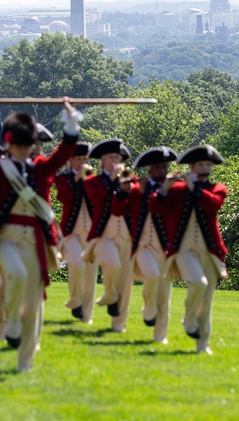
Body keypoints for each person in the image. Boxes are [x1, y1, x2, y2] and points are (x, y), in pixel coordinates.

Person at [0, 97, 81, 372]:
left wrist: (69, 119)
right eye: (16, 146)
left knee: (34, 303)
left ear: (32, 145)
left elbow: (65, 152)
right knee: (16, 276)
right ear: (8, 144)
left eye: (25, 146)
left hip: (35, 241)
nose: (21, 151)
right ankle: (11, 320)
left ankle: (25, 363)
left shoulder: (42, 169)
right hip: (5, 238)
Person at [150, 144, 229, 354]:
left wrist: (194, 188)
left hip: (209, 251)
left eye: (207, 164)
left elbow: (213, 204)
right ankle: (188, 317)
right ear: (192, 167)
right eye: (200, 164)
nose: (204, 168)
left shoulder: (217, 188)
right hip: (183, 250)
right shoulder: (178, 190)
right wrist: (165, 188)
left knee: (207, 301)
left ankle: (202, 345)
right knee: (197, 282)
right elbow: (155, 207)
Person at [82, 139, 134, 332]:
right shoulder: (92, 181)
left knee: (125, 281)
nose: (115, 161)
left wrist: (128, 189)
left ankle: (119, 323)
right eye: (111, 157)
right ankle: (110, 293)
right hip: (103, 235)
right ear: (102, 162)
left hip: (127, 235)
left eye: (118, 158)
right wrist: (112, 178)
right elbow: (97, 199)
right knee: (112, 264)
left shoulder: (129, 180)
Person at [128, 146, 177, 344]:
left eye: (164, 166)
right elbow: (123, 207)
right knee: (151, 274)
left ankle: (160, 335)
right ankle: (148, 306)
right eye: (157, 167)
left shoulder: (175, 188)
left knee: (165, 293)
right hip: (143, 245)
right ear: (149, 170)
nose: (161, 170)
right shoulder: (139, 187)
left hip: (165, 246)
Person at [54, 142, 97, 323]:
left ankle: (86, 315)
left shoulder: (93, 179)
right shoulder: (64, 179)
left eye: (84, 159)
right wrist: (77, 179)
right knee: (76, 263)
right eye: (78, 159)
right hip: (71, 232)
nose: (82, 162)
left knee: (90, 273)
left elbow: (98, 200)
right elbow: (63, 196)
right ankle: (75, 300)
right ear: (70, 161)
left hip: (91, 233)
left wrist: (88, 180)